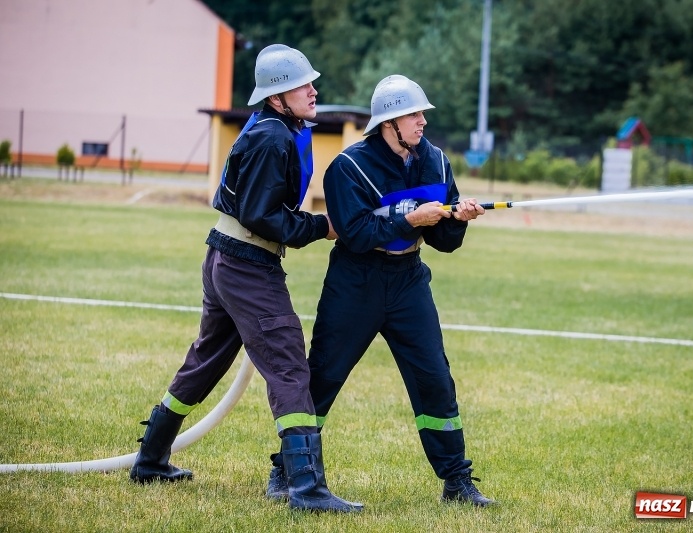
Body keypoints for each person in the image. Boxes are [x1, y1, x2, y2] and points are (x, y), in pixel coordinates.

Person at [128, 44, 363, 513]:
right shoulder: (272, 139)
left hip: (226, 258)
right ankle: (306, 489)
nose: (314, 90)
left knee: (206, 361)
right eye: (303, 84)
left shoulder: (272, 129)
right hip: (245, 265)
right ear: (277, 97)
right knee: (290, 365)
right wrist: (321, 226)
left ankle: (151, 458)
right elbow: (261, 215)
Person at [266, 74, 496, 506]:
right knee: (323, 378)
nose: (422, 121)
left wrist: (457, 220)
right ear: (388, 122)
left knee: (435, 378)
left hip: (409, 280)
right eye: (413, 113)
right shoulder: (348, 168)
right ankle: (287, 470)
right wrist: (410, 220)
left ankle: (457, 482)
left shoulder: (437, 162)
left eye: (423, 112)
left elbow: (443, 243)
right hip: (356, 282)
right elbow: (354, 233)